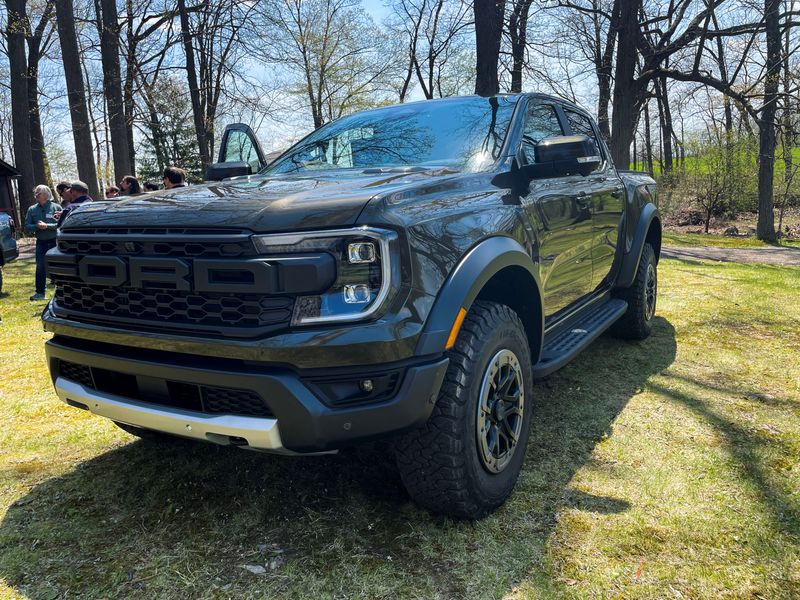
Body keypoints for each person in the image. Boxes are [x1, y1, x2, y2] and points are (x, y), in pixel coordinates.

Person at [24, 185, 60, 301]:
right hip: (41, 242)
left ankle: (61, 293)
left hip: (55, 242)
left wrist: (47, 225)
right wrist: (36, 226)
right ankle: (40, 293)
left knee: (58, 267)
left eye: (38, 193)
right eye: (36, 193)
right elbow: (27, 226)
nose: (36, 195)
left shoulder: (56, 207)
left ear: (45, 194)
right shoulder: (32, 209)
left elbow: (61, 224)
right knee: (40, 267)